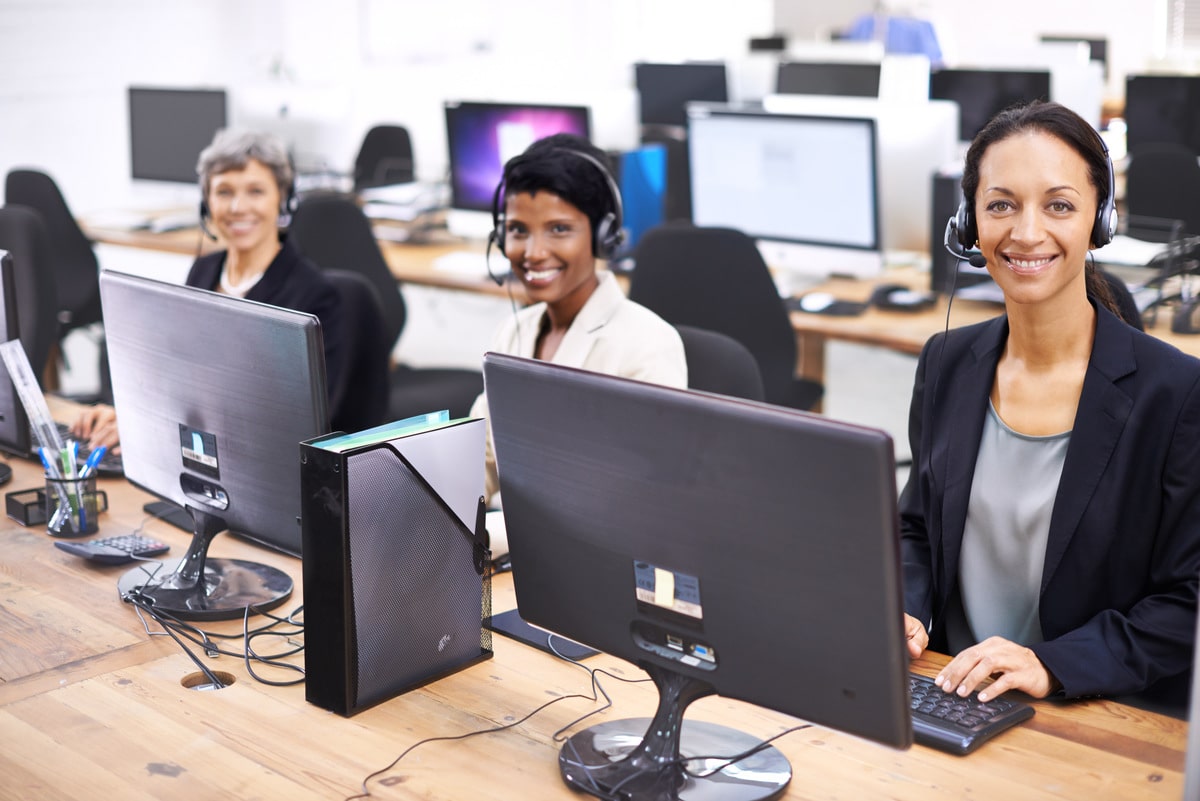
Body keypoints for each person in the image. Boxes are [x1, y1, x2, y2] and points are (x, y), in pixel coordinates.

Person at [900, 100, 1200, 714]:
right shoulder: (946, 363)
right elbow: (916, 527)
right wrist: (905, 604)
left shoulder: (1177, 393)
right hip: (953, 694)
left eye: (1058, 205)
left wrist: (1050, 663)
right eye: (1001, 204)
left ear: (1099, 221)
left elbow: (1188, 600)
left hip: (1087, 711)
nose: (1026, 232)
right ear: (969, 223)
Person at [72, 129, 348, 449]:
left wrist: (159, 425)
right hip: (200, 451)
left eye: (256, 191)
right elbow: (182, 377)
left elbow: (298, 422)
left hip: (261, 462)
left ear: (284, 199)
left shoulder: (314, 296)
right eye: (224, 192)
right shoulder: (203, 271)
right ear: (207, 202)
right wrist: (131, 414)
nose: (238, 207)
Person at [470, 133, 687, 503]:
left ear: (604, 236)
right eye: (518, 230)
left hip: (598, 555)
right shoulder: (513, 332)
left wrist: (491, 537)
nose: (534, 253)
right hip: (505, 544)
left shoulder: (647, 347)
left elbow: (637, 501)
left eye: (559, 229)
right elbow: (484, 462)